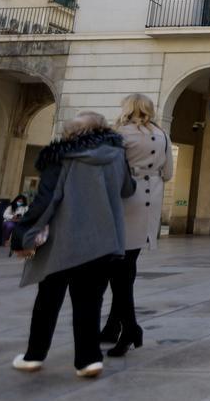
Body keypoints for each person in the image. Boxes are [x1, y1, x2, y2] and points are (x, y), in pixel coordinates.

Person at [11, 111, 133, 378]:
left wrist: (23, 234)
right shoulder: (116, 156)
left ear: (71, 133)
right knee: (90, 302)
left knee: (47, 301)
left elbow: (47, 200)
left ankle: (33, 356)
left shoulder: (62, 157)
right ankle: (89, 360)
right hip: (102, 241)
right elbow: (128, 189)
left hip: (63, 241)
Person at [101, 94, 174, 357]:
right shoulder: (161, 135)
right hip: (149, 201)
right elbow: (168, 174)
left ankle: (129, 328)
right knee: (125, 267)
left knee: (117, 269)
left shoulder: (119, 135)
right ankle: (113, 325)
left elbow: (108, 172)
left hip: (124, 201)